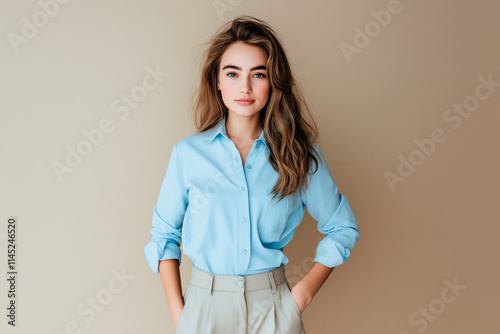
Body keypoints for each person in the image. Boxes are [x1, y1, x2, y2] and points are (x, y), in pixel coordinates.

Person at [144, 15, 360, 334]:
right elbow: (164, 236)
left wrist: (301, 296)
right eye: (232, 73)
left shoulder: (299, 155)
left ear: (273, 81)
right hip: (204, 309)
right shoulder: (188, 155)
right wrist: (181, 316)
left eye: (258, 74)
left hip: (273, 308)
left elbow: (342, 228)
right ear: (217, 80)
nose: (245, 87)